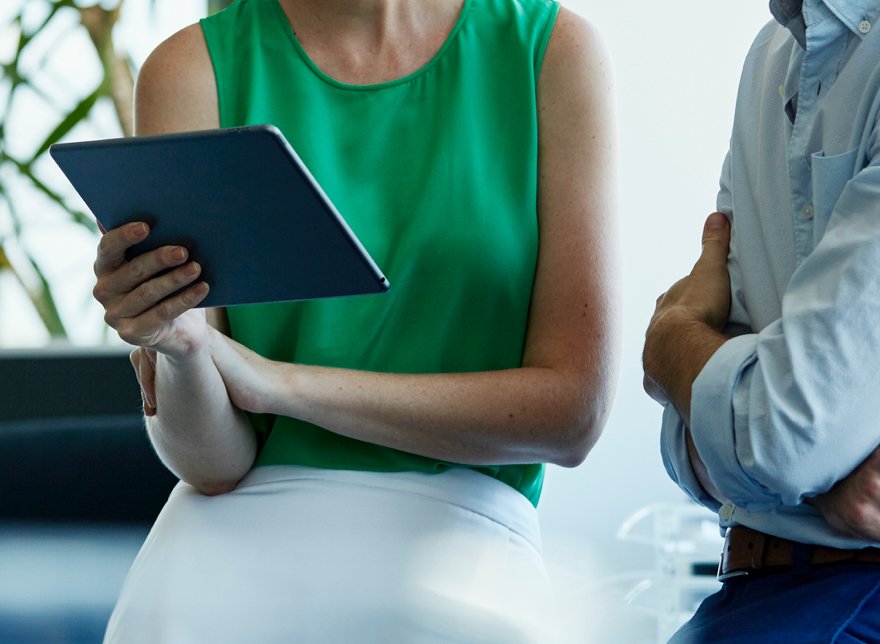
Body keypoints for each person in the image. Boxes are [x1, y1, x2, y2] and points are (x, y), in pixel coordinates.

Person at [91, 0, 619, 640]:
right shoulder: (191, 69)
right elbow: (214, 467)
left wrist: (275, 384)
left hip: (465, 556)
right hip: (225, 564)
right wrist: (182, 348)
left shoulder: (552, 51)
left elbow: (571, 415)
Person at [643, 0, 880, 641]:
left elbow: (780, 433)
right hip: (756, 589)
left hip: (851, 592)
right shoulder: (772, 53)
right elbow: (693, 445)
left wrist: (670, 344)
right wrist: (802, 465)